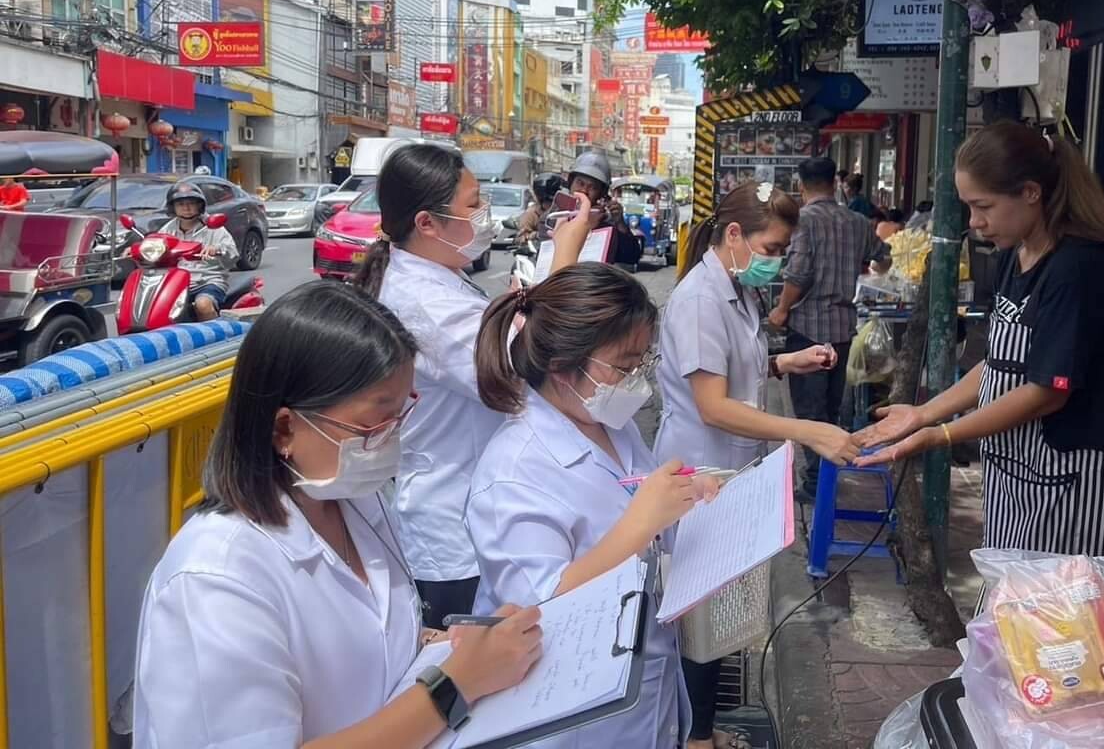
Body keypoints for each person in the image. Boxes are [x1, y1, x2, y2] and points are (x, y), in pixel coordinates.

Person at [132, 282, 543, 748]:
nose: (390, 440)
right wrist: (454, 684)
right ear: (285, 427)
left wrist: (451, 647)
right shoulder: (216, 579)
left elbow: (368, 651)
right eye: (372, 424)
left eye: (400, 416)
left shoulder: (353, 503)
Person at [854, 122, 1104, 559]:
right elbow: (998, 363)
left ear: (1031, 193)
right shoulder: (1016, 255)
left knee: (1059, 618)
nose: (976, 223)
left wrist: (940, 434)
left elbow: (1046, 391)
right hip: (1017, 474)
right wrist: (922, 413)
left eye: (984, 207)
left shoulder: (1080, 266)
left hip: (1072, 479)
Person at [469, 263, 717, 749]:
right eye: (624, 367)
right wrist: (640, 524)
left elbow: (639, 494)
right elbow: (541, 609)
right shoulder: (513, 473)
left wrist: (690, 495)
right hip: (573, 717)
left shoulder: (610, 426)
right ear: (563, 366)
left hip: (645, 685)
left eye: (643, 363)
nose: (637, 382)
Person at [654, 180, 860, 749]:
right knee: (699, 614)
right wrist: (808, 430)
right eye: (770, 251)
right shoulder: (699, 300)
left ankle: (699, 729)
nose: (775, 263)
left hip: (730, 473)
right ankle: (692, 738)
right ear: (735, 235)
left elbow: (733, 374)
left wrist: (786, 362)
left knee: (717, 614)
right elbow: (714, 406)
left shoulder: (738, 290)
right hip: (700, 473)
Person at [352, 144, 590, 628]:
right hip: (455, 533)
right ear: (426, 223)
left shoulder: (438, 277)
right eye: (472, 204)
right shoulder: (423, 300)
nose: (485, 215)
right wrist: (566, 255)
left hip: (473, 508)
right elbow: (532, 360)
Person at [768, 157, 892, 500]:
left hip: (807, 327)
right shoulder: (857, 221)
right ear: (834, 182)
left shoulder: (803, 221)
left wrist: (781, 309)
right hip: (842, 326)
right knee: (832, 409)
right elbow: (884, 257)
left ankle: (815, 484)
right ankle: (826, 477)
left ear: (801, 184)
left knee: (810, 410)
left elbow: (799, 273)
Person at [158, 182, 238, 321]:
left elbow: (233, 254)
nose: (186, 208)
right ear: (173, 207)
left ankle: (214, 337)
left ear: (199, 205)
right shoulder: (167, 230)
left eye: (191, 203)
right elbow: (156, 245)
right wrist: (138, 249)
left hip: (207, 280)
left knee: (203, 305)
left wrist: (217, 249)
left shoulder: (213, 227)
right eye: (181, 204)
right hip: (176, 282)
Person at [566, 149, 644, 266]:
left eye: (592, 187)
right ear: (570, 183)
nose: (584, 191)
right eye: (580, 183)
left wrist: (620, 223)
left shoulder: (605, 224)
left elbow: (631, 257)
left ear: (601, 193)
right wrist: (586, 227)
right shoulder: (554, 217)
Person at [515, 171, 564, 249]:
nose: (551, 207)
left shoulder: (565, 212)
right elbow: (520, 239)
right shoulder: (531, 214)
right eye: (547, 203)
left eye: (552, 202)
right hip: (537, 253)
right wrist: (535, 235)